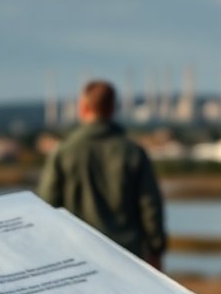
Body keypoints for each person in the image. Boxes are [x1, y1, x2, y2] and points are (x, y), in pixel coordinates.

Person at [37, 80, 166, 267]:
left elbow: (46, 206)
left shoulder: (64, 152)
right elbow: (150, 207)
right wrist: (156, 249)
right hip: (127, 256)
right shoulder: (133, 152)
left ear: (83, 107)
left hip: (76, 255)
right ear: (113, 108)